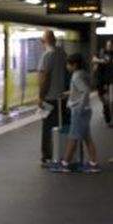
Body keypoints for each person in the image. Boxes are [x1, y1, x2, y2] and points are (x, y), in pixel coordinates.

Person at [51, 54, 101, 173]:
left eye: (69, 64)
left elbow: (85, 90)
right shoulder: (83, 74)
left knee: (73, 137)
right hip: (86, 110)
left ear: (75, 65)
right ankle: (93, 163)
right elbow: (79, 90)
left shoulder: (76, 76)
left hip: (80, 112)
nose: (67, 66)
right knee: (87, 137)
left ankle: (65, 164)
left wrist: (79, 107)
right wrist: (68, 93)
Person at [37, 30, 69, 166]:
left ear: (44, 42)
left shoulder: (47, 55)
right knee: (62, 126)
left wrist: (40, 97)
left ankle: (48, 157)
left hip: (49, 98)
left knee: (48, 128)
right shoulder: (62, 54)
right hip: (62, 97)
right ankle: (62, 154)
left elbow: (45, 78)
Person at [92, 40, 113, 126]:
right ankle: (106, 107)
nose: (110, 47)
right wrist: (101, 61)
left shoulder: (112, 54)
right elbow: (94, 59)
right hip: (100, 79)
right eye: (108, 45)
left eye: (111, 45)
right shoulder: (101, 52)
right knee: (102, 97)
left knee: (110, 100)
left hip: (110, 80)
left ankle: (109, 117)